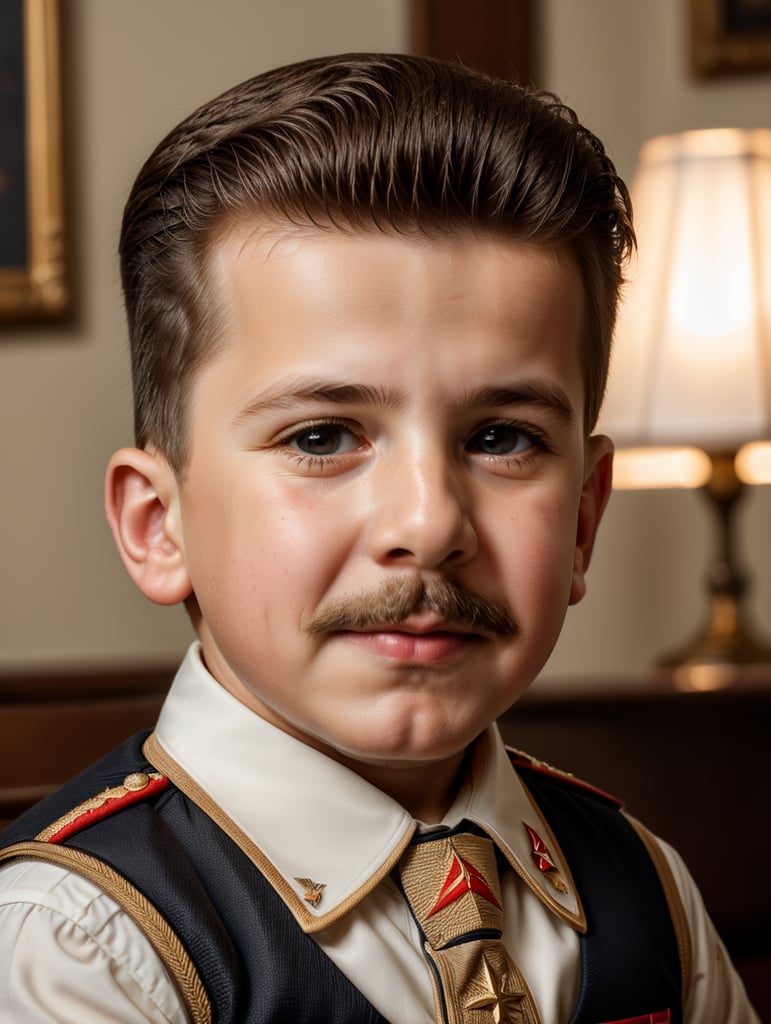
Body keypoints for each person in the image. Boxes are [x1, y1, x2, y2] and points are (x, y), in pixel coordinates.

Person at [0, 53, 758, 1024]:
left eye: (502, 438)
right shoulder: (76, 945)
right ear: (160, 525)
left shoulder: (651, 890)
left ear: (582, 518)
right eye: (321, 436)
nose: (429, 523)